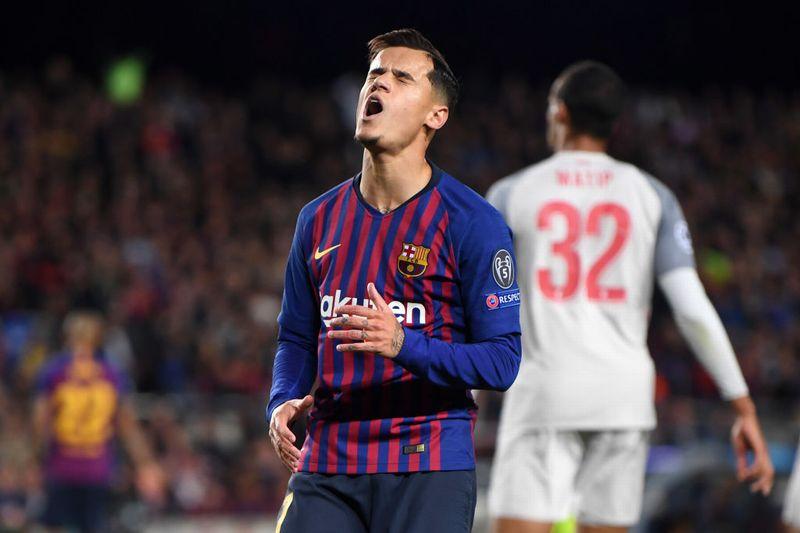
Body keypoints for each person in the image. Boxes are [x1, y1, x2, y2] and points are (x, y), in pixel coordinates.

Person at [485, 61, 774, 533]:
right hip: (622, 397)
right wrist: (742, 406)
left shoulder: (511, 193)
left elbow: (483, 308)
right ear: (615, 124)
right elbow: (692, 308)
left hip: (544, 392)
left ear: (560, 112)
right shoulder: (652, 194)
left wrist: (469, 400)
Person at [266, 28, 522, 533]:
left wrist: (405, 344)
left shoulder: (473, 222)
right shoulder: (316, 219)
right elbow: (295, 338)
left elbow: (502, 361)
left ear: (436, 116)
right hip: (328, 461)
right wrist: (281, 400)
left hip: (428, 462)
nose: (378, 83)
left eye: (401, 77)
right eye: (374, 74)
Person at [33, 311, 164, 532]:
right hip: (97, 467)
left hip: (61, 466)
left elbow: (40, 421)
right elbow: (127, 425)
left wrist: (37, 460)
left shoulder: (53, 371)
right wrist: (145, 463)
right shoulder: (112, 373)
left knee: (54, 525)